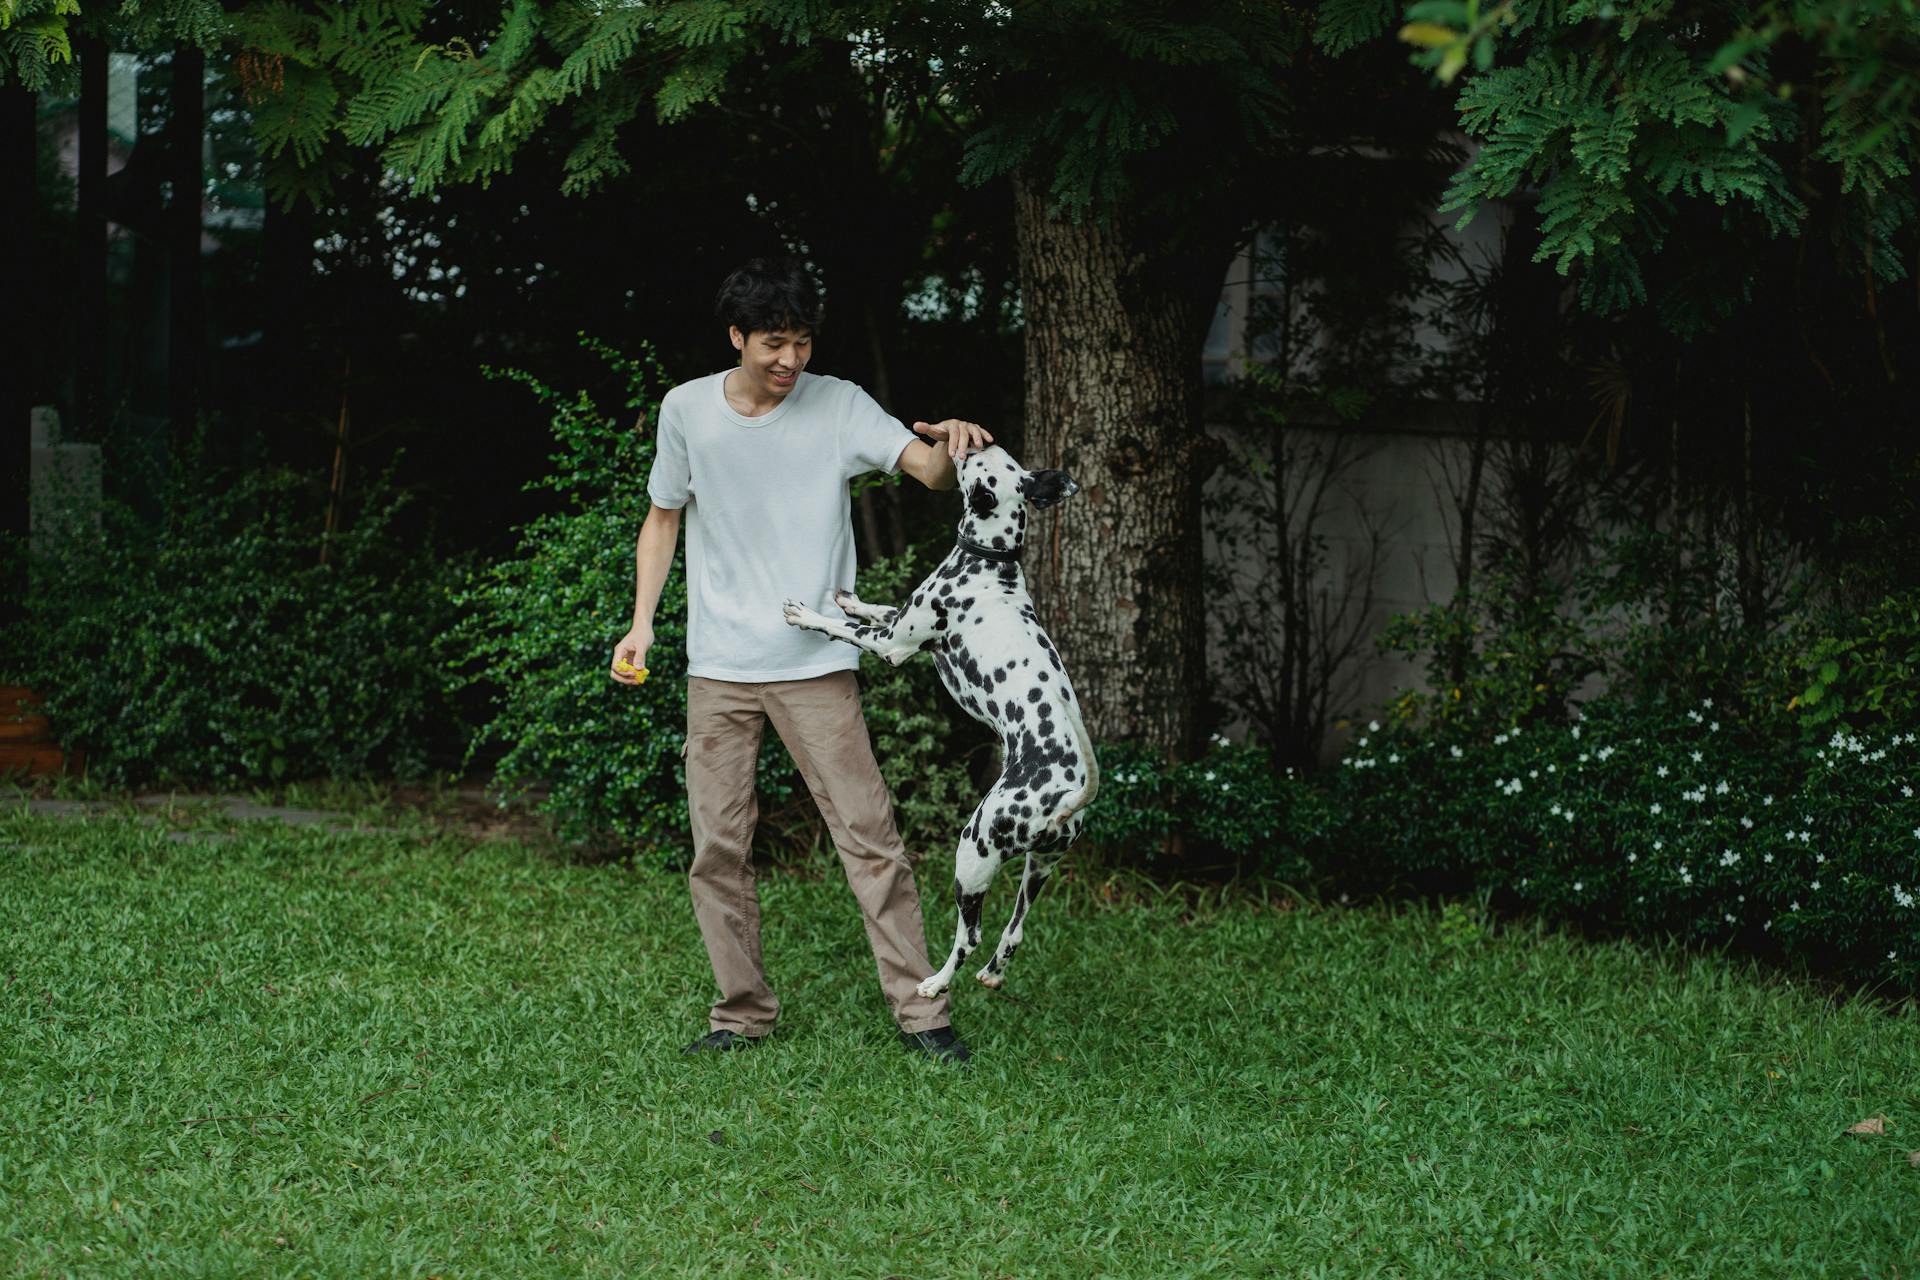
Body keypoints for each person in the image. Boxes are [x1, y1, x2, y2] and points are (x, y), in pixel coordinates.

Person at [611, 256, 990, 1064]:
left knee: (869, 836)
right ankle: (740, 1014)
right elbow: (662, 518)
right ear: (737, 336)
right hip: (718, 668)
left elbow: (923, 469)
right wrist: (641, 623)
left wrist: (953, 445)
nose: (791, 362)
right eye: (774, 344)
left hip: (814, 665)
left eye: (804, 344)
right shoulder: (686, 412)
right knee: (719, 848)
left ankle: (923, 1015)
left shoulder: (839, 404)